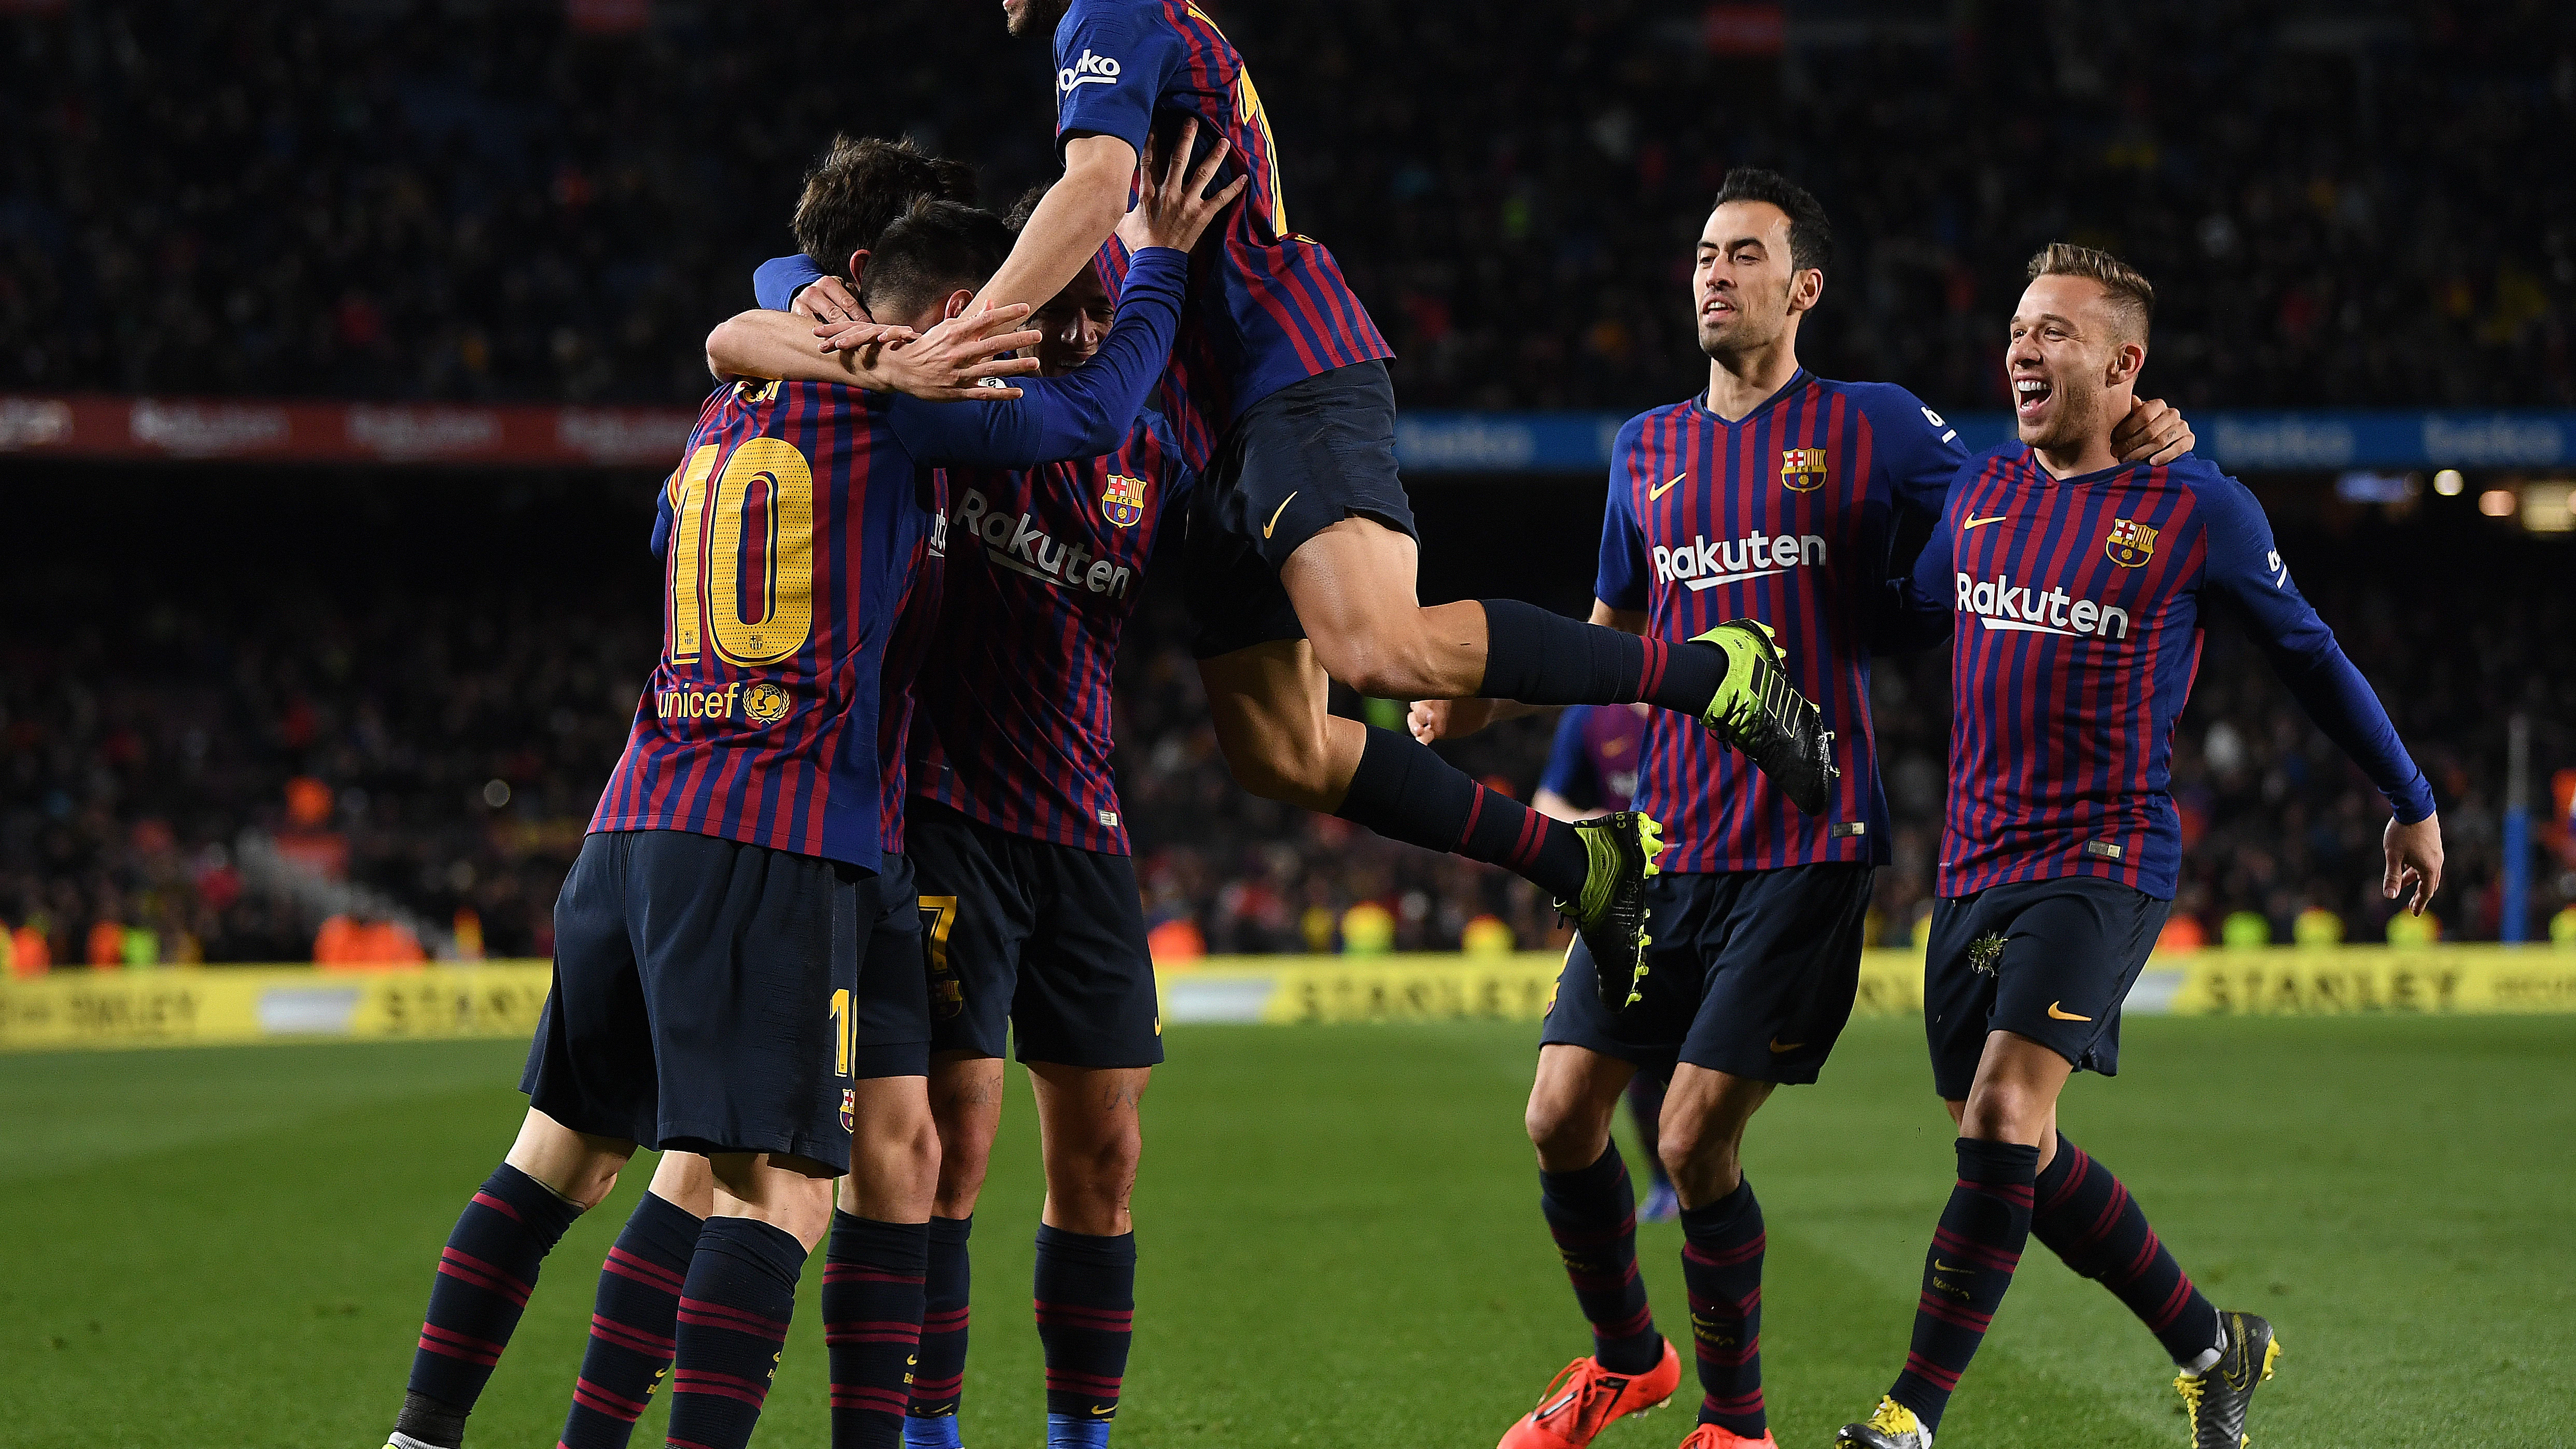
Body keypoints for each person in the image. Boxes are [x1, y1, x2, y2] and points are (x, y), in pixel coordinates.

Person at [1415, 172, 2196, 1449]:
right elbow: (1610, 640)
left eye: (1742, 256)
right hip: (1658, 852)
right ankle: (1627, 1362)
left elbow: (2026, 494)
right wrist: (1480, 702)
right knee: (1556, 1116)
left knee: (1685, 1139)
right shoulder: (1643, 449)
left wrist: (2134, 428)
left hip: (1802, 849)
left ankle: (1737, 1424)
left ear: (1802, 288)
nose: (1712, 275)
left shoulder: (1879, 427)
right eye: (1703, 254)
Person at [961, 0, 1853, 984]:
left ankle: (1712, 675)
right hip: (1215, 430)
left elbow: (1092, 188)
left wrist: (967, 340)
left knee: (1377, 648)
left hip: (1284, 368)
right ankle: (1578, 862)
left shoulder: (1108, 8)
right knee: (1279, 750)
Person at [1832, 244, 2444, 1449]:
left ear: (2122, 367)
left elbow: (2307, 656)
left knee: (2003, 1117)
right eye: (2015, 328)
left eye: (2051, 331)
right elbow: (1896, 616)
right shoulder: (1980, 494)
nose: (2019, 347)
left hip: (2100, 861)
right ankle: (2216, 1346)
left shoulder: (2194, 506)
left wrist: (2408, 795)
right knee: (2006, 1143)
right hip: (1968, 868)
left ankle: (1908, 1419)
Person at [760, 162, 1212, 1449]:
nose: (1073, 326)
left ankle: (1079, 1437)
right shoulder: (960, 404)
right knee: (945, 1153)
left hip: (1082, 830)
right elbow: (778, 284)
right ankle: (928, 1431)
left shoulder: (1148, 437)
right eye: (1053, 299)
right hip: (948, 816)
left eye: (1094, 304)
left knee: (1106, 1161)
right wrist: (823, 309)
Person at [1530, 704, 1681, 1224]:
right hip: (1622, 900)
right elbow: (1546, 799)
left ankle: (1702, 1170)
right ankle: (1666, 1182)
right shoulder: (1592, 713)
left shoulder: (1700, 696)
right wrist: (1600, 826)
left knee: (1693, 1051)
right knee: (1631, 1050)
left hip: (1702, 892)